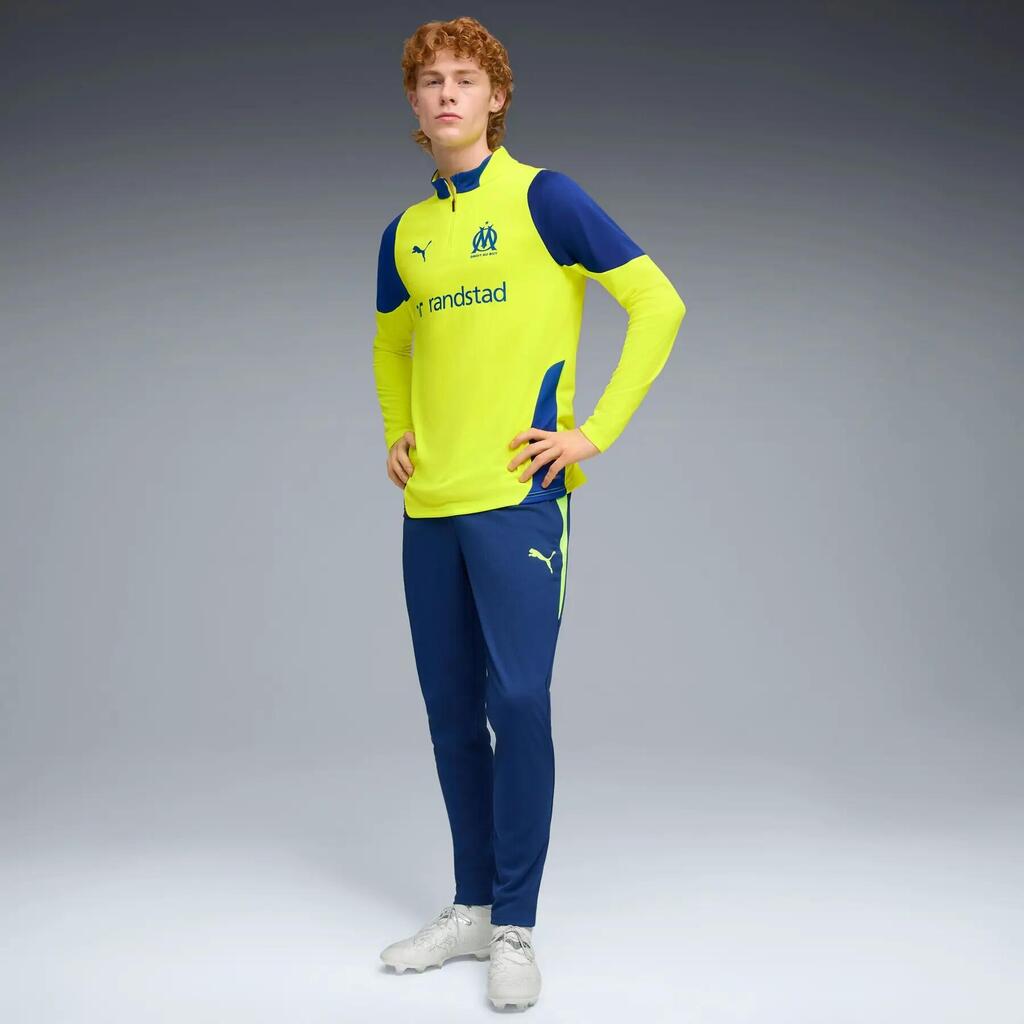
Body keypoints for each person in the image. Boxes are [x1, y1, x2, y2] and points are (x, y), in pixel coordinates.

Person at [372, 16, 686, 1010]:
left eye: (466, 79)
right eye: (431, 80)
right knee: (449, 713)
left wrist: (593, 433)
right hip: (431, 505)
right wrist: (397, 429)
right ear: (414, 101)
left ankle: (514, 924)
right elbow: (391, 341)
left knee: (517, 701)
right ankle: (469, 905)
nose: (447, 93)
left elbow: (659, 304)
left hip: (518, 497)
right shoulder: (405, 233)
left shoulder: (546, 197)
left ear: (497, 97)